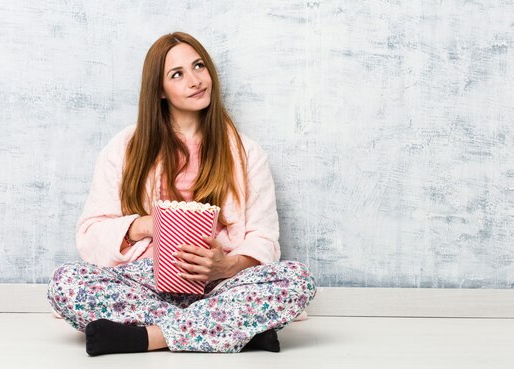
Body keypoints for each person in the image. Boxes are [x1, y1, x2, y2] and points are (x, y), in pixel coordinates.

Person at [47, 32, 316, 356]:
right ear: (159, 90)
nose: (195, 80)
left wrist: (225, 266)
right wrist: (145, 226)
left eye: (199, 66)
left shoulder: (246, 152)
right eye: (178, 74)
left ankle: (148, 338)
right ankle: (236, 332)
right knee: (66, 282)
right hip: (145, 283)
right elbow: (89, 237)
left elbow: (265, 239)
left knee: (297, 279)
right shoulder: (123, 148)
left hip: (220, 288)